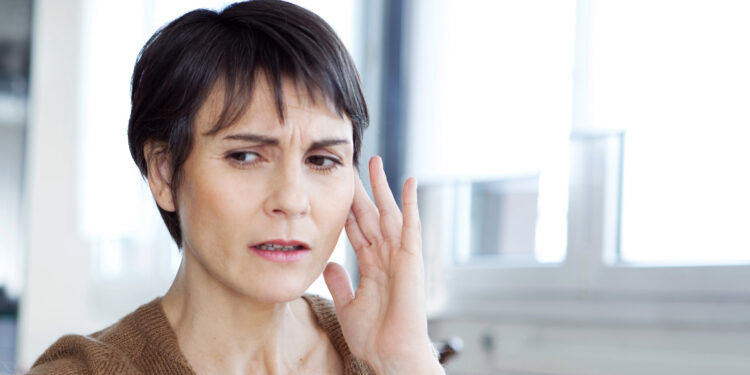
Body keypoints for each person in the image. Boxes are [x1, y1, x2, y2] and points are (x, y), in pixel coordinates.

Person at [29, 1, 444, 374]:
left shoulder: (381, 357)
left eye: (321, 160)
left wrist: (405, 363)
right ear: (164, 174)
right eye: (245, 156)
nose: (292, 201)